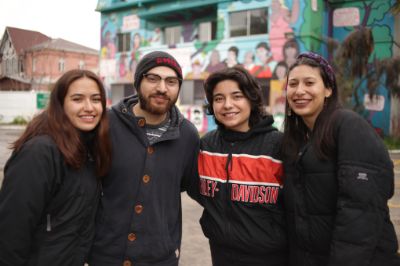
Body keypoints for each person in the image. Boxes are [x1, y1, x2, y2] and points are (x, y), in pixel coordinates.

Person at [281, 51, 400, 266]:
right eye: (293, 84)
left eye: (309, 83)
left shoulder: (349, 127)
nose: (299, 91)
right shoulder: (296, 139)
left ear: (328, 89)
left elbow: (359, 213)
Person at [89, 51, 200, 266]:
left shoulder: (188, 135)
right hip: (105, 256)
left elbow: (189, 185)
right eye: (153, 79)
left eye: (171, 81)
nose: (162, 88)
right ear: (138, 82)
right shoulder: (105, 124)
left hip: (159, 258)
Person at [0, 69, 112, 265]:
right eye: (77, 99)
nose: (89, 107)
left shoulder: (89, 151)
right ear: (60, 104)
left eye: (96, 99)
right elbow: (11, 231)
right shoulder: (40, 153)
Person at [198, 66, 288, 266]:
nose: (227, 105)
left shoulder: (278, 146)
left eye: (237, 96)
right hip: (221, 253)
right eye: (219, 98)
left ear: (251, 99)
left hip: (269, 257)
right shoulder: (206, 146)